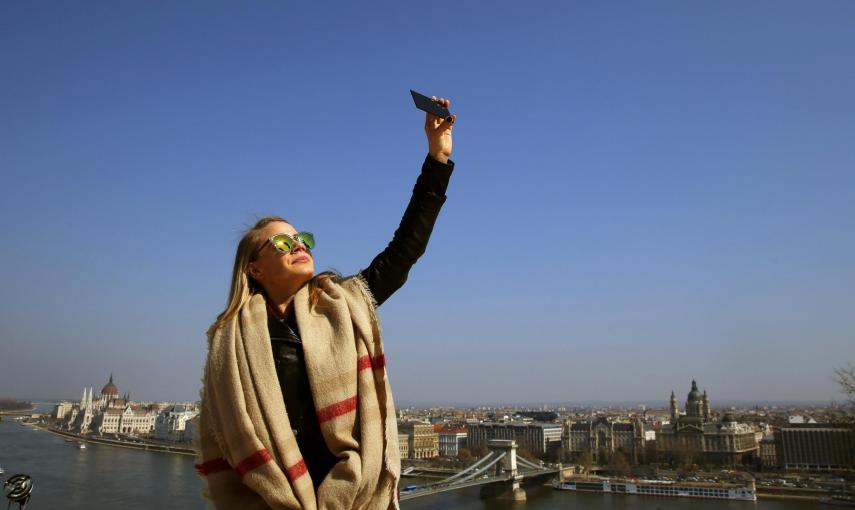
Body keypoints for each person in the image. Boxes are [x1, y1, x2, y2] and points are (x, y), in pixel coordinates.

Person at [195, 97, 457, 510]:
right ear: (254, 269)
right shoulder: (229, 342)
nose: (299, 245)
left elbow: (405, 248)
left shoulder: (344, 303)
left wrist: (437, 160)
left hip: (351, 498)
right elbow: (224, 444)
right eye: (283, 242)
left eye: (303, 239)